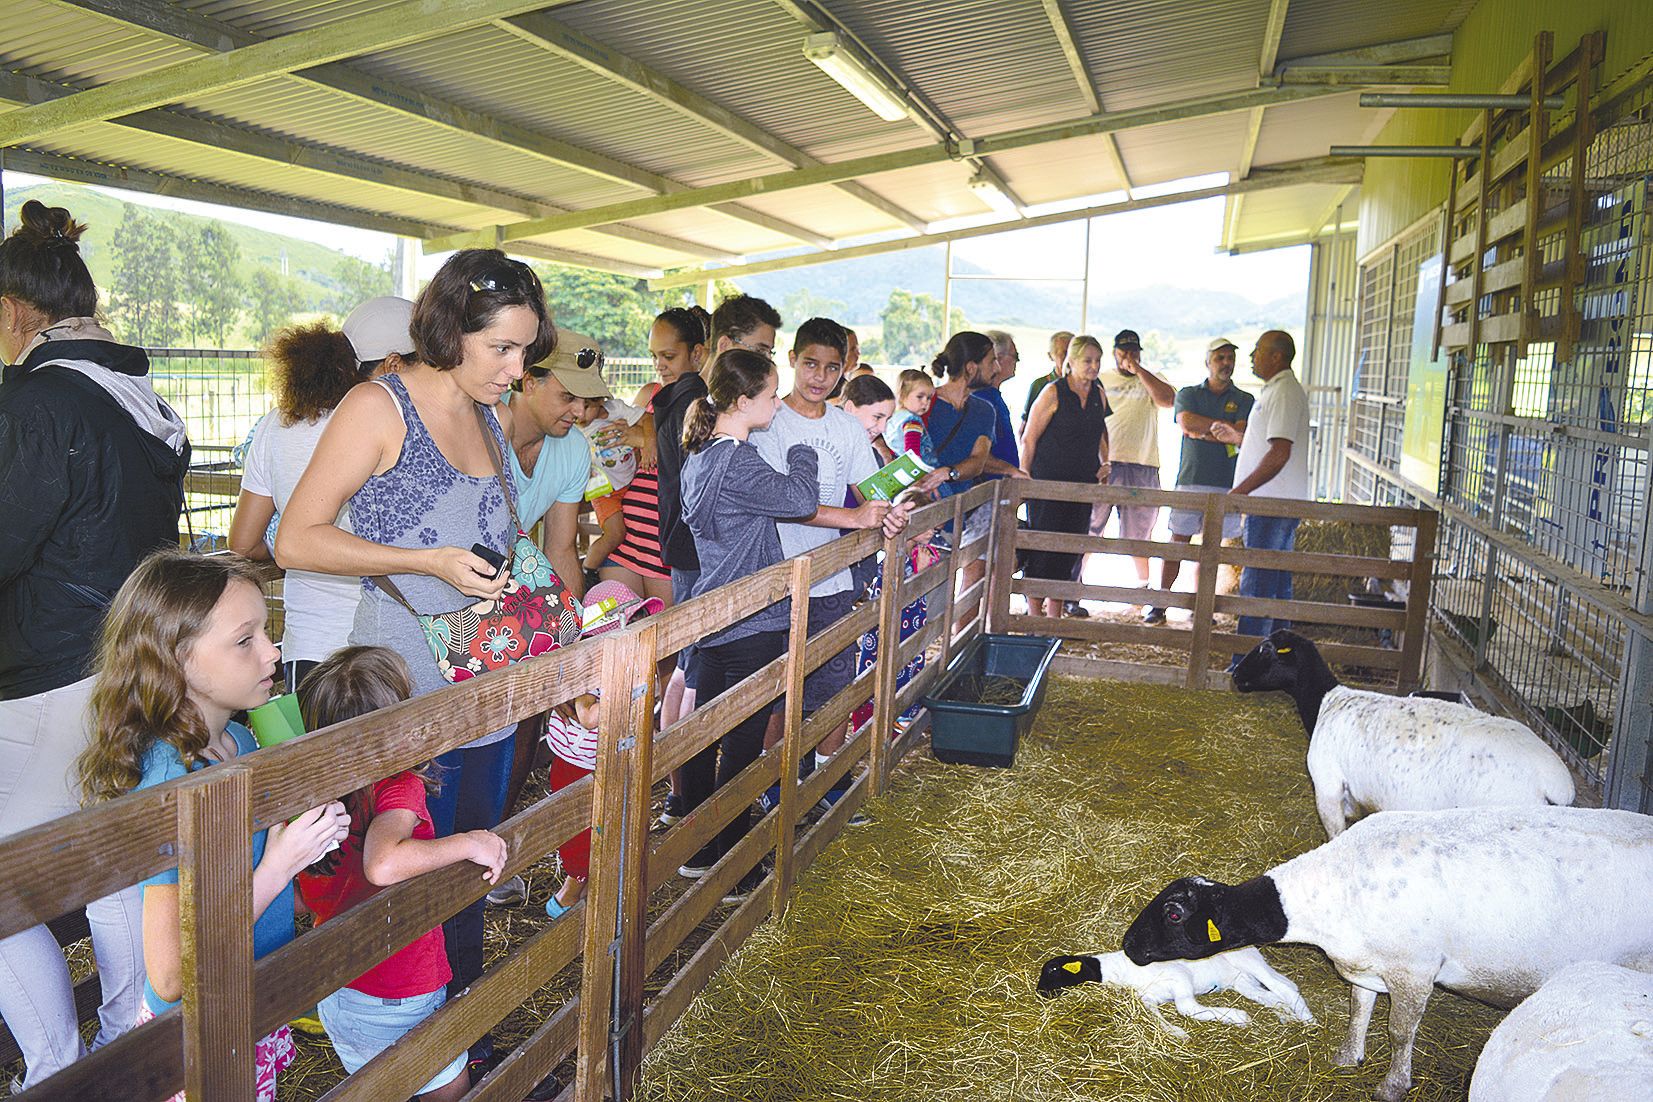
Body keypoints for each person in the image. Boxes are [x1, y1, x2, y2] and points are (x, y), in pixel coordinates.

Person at [275, 247, 555, 1075]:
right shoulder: (378, 406)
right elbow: (296, 538)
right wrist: (425, 561)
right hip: (405, 694)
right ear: (450, 330)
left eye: (523, 352)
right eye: (501, 349)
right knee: (399, 880)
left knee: (469, 866)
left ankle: (457, 1051)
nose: (515, 369)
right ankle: (402, 1055)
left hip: (487, 690)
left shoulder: (490, 415)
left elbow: (504, 541)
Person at [0, 200, 191, 1091]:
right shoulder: (144, 400)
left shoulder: (40, 402)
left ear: (14, 309)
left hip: (45, 674)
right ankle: (129, 1041)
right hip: (131, 665)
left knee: (6, 887)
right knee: (115, 854)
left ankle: (54, 1069)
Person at [75, 550, 350, 1102]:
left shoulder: (241, 743)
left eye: (267, 633)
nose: (273, 653)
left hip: (246, 1001)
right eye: (245, 640)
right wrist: (280, 866)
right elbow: (173, 973)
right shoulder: (170, 782)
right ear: (176, 659)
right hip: (196, 1039)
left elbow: (247, 873)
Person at [295, 647, 506, 1102]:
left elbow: (304, 890)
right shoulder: (397, 786)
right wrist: (468, 842)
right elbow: (383, 862)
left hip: (337, 981)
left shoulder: (317, 790)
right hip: (398, 984)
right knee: (448, 1090)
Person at [750, 318, 911, 811]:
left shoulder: (845, 426)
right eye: (810, 364)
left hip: (835, 577)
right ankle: (776, 787)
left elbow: (869, 488)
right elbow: (780, 499)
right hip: (779, 576)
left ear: (844, 370)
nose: (819, 376)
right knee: (781, 687)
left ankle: (827, 781)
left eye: (831, 367)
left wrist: (889, 510)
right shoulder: (771, 421)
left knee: (833, 683)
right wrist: (855, 515)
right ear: (793, 360)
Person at [677, 348, 820, 899]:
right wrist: (804, 451)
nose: (779, 401)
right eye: (771, 394)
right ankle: (733, 862)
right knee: (738, 744)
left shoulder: (702, 458)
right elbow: (801, 499)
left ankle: (696, 849)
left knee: (701, 734)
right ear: (742, 401)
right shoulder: (740, 461)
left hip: (715, 611)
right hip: (753, 617)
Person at [231, 301, 419, 688]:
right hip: (389, 649)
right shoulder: (397, 425)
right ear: (394, 365)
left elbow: (243, 542)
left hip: (310, 646)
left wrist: (289, 550)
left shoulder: (276, 424)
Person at [541, 579, 660, 919]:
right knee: (579, 826)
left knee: (614, 818)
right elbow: (589, 716)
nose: (638, 631)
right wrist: (625, 690)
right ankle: (574, 884)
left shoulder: (634, 663)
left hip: (614, 755)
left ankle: (603, 885)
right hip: (575, 763)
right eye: (631, 624)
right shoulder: (587, 669)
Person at [1150, 338, 1255, 624]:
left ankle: (1203, 607)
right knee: (1178, 542)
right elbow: (1186, 423)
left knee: (1211, 549)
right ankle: (1159, 603)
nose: (1226, 363)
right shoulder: (1188, 393)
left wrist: (1204, 430)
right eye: (1220, 358)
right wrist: (1219, 429)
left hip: (1227, 482)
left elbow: (1241, 432)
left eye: (1230, 358)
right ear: (1207, 362)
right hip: (1191, 478)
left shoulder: (1245, 399)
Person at [500, 329, 606, 600]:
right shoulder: (481, 425)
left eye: (586, 401)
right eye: (568, 397)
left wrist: (573, 628)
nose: (580, 413)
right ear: (529, 382)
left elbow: (561, 550)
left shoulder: (574, 449)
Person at [926, 331, 1029, 598]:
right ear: (971, 368)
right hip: (923, 514)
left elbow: (979, 460)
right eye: (990, 361)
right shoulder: (926, 404)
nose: (996, 368)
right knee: (917, 596)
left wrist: (949, 473)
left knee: (942, 598)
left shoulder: (984, 411)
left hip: (959, 511)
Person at [1229, 330, 1311, 653]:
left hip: (1273, 503)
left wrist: (1240, 493)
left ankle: (1245, 663)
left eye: (1258, 350)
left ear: (1276, 356)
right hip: (1270, 501)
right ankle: (1277, 661)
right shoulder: (1276, 391)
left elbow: (1279, 452)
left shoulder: (1285, 392)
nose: (1252, 356)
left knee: (1259, 585)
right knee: (1274, 586)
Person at [1020, 335, 1111, 618]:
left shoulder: (1098, 393)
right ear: (1070, 362)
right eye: (1087, 360)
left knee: (1071, 550)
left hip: (1083, 485)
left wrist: (1106, 462)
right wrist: (1024, 477)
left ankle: (1054, 620)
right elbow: (1029, 437)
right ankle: (1035, 619)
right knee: (1043, 548)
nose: (1093, 366)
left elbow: (1101, 433)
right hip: (1048, 483)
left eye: (1097, 361)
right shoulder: (1052, 392)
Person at [1089, 328, 1176, 606]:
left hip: (1142, 464)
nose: (1128, 356)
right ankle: (1074, 587)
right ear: (1113, 353)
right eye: (1123, 351)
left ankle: (1143, 591)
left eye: (1134, 351)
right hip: (1106, 463)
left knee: (1140, 533)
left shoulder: (1152, 378)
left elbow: (1168, 400)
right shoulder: (1100, 380)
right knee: (1090, 527)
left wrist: (1138, 369)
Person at [577, 393, 645, 581]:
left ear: (599, 400)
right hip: (604, 491)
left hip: (632, 482)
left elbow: (646, 419)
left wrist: (650, 443)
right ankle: (588, 571)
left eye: (586, 405)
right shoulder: (574, 429)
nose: (579, 413)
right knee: (615, 533)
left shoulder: (617, 409)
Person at [976, 330, 1022, 471]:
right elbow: (977, 453)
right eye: (1015, 356)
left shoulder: (993, 397)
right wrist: (1009, 470)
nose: (1017, 361)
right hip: (989, 485)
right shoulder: (982, 399)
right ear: (998, 358)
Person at [884, 369, 938, 467]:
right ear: (902, 395)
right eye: (920, 396)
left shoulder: (892, 418)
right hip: (921, 472)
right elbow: (913, 455)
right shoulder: (912, 422)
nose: (925, 402)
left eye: (929, 397)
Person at [1021, 330, 1073, 430]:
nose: (1069, 359)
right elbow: (1025, 426)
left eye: (1074, 353)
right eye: (1064, 353)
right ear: (1050, 356)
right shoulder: (1040, 385)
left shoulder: (1091, 384)